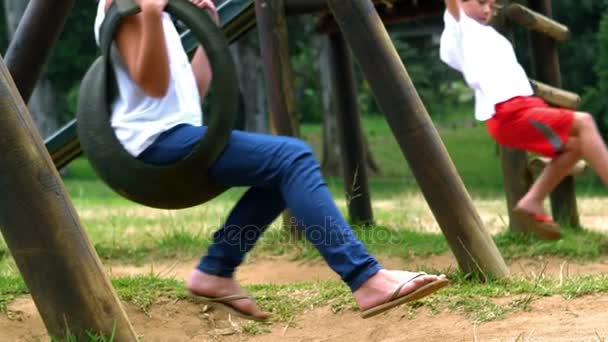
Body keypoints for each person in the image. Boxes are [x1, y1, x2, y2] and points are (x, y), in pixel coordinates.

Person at [94, 0, 448, 321]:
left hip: (172, 132)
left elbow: (189, 96)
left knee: (281, 173)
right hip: (153, 142)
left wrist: (207, 34)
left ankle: (215, 269)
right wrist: (153, 15)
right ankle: (365, 277)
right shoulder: (131, 6)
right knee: (292, 157)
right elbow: (152, 86)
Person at [440, 0, 608, 240]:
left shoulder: (486, 35)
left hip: (524, 108)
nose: (487, 10)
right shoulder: (461, 28)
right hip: (509, 113)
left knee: (576, 145)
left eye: (491, 4)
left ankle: (532, 200)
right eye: (480, 3)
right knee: (585, 122)